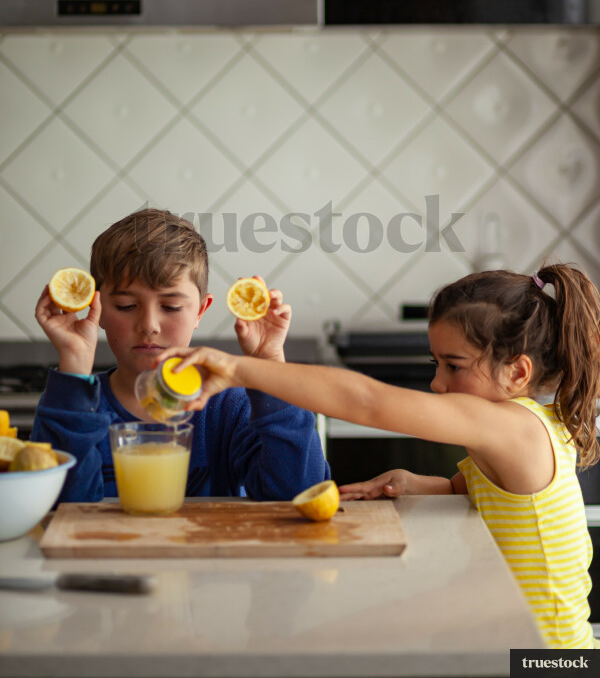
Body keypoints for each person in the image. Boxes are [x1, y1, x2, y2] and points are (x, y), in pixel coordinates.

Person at [159, 264, 600, 650]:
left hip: (548, 656)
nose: (437, 383)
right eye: (435, 363)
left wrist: (238, 368)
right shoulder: (525, 426)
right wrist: (416, 483)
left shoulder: (511, 428)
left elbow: (367, 402)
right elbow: (479, 493)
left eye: (454, 365)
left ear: (517, 372)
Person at [32, 208, 329, 503]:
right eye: (125, 305)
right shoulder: (75, 406)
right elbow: (57, 508)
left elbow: (299, 493)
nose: (149, 326)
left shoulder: (229, 408)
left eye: (171, 307)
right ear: (97, 309)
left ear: (200, 310)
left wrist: (271, 368)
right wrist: (73, 362)